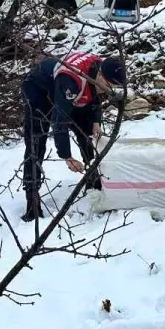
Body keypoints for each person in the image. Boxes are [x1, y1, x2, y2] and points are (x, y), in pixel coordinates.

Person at [19, 50, 127, 222]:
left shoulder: (98, 70)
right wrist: (67, 156)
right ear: (100, 74)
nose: (109, 90)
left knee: (87, 134)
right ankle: (32, 201)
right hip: (39, 90)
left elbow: (94, 99)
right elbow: (59, 120)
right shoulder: (71, 80)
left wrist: (96, 121)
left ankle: (93, 182)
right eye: (108, 85)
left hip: (69, 91)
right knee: (36, 142)